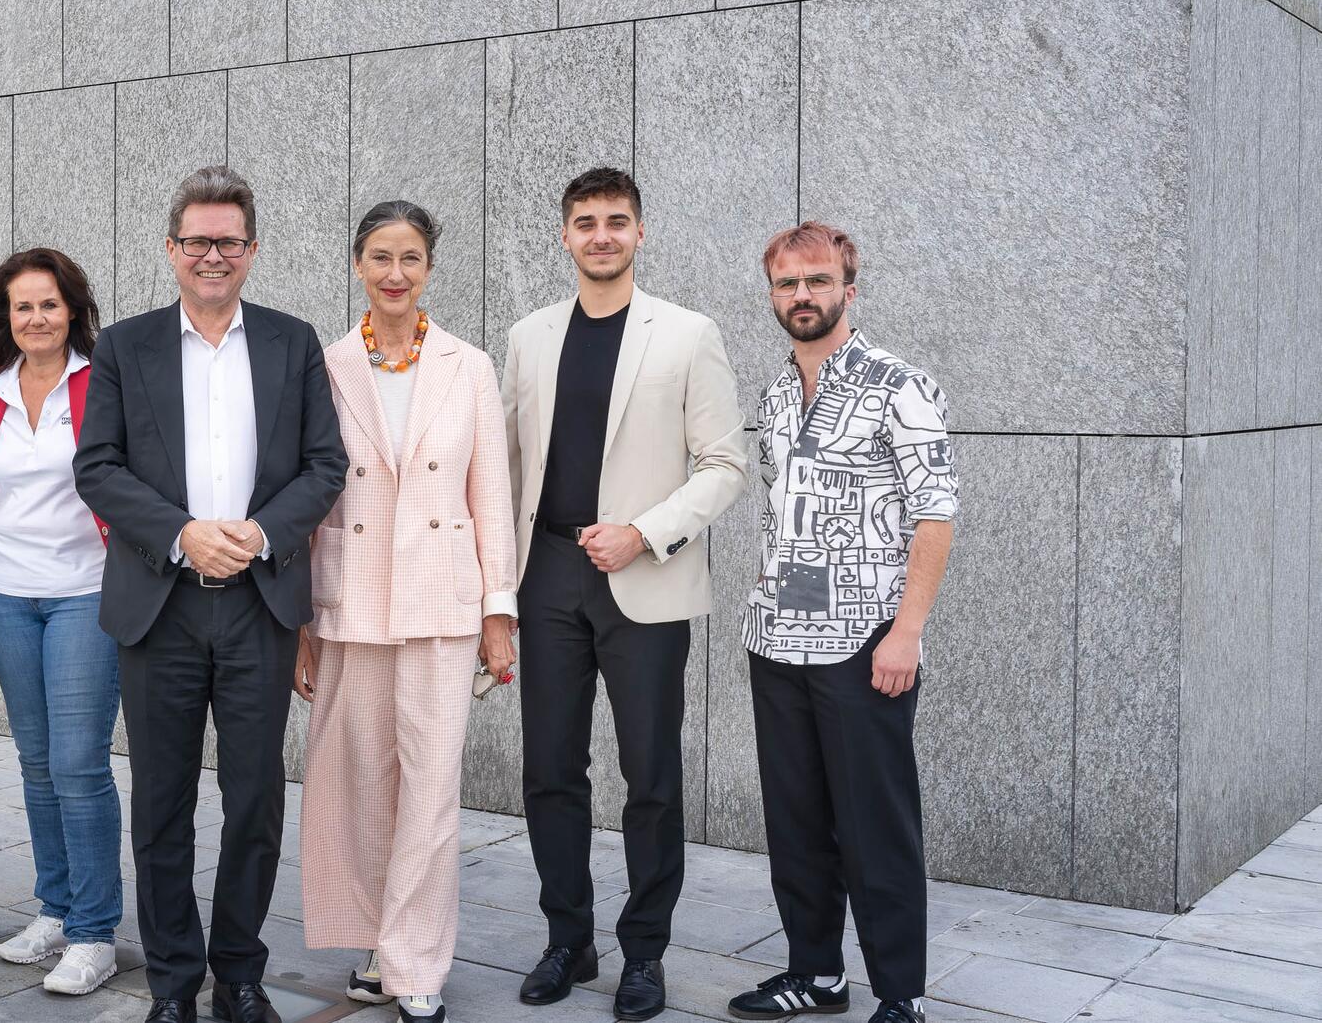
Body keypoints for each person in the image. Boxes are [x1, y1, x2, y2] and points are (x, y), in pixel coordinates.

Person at [74, 167, 347, 1023]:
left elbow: (325, 466)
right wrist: (184, 532)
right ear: (172, 250)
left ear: (252, 250)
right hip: (160, 603)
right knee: (161, 803)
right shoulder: (125, 346)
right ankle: (173, 984)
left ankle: (239, 974)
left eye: (229, 241)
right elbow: (98, 468)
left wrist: (260, 536)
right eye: (197, 241)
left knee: (256, 800)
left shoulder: (293, 342)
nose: (212, 255)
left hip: (260, 603)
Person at [502, 167, 746, 1021]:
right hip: (549, 574)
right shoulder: (528, 337)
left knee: (650, 774)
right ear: (564, 235)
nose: (600, 235)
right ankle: (568, 938)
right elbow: (507, 467)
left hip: (645, 575)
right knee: (550, 771)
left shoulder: (687, 335)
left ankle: (645, 953)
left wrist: (644, 531)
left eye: (616, 221)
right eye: (584, 222)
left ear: (641, 232)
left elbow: (726, 464)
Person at [726, 223, 955, 1023]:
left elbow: (935, 517)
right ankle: (816, 975)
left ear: (848, 289)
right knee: (795, 822)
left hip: (865, 644)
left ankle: (901, 994)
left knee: (875, 826)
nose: (803, 297)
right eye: (788, 285)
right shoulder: (779, 391)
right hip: (775, 638)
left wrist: (907, 632)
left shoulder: (901, 385)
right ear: (772, 295)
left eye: (818, 282)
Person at [295, 202, 518, 1023]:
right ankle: (372, 943)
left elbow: (489, 493)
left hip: (440, 602)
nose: (396, 273)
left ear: (430, 268)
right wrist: (300, 624)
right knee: (356, 784)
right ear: (358, 263)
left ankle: (417, 959)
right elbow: (309, 499)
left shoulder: (469, 365)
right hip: (346, 599)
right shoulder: (324, 365)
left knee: (429, 786)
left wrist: (500, 609)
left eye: (412, 258)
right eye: (382, 257)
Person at [0, 249, 121, 996]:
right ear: (8, 316)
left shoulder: (102, 381)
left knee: (79, 762)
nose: (36, 319)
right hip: (4, 592)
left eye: (49, 305)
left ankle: (95, 933)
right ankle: (55, 911)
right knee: (34, 759)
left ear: (73, 311)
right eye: (22, 307)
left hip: (85, 590)